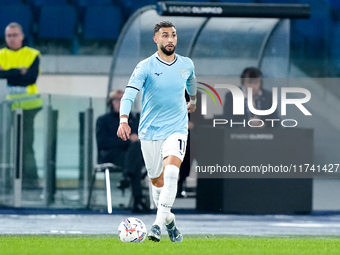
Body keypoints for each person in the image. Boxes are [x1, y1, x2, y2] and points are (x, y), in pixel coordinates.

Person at [117, 21, 197, 242]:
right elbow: (128, 95)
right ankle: (170, 221)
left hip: (177, 128)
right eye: (165, 35)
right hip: (150, 131)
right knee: (157, 182)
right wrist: (123, 120)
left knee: (172, 173)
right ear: (156, 39)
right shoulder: (145, 66)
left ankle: (156, 226)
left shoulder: (186, 64)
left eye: (173, 35)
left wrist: (193, 100)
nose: (170, 39)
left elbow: (192, 81)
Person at [0, 22, 43, 188]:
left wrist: (7, 73)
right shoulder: (1, 53)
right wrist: (19, 71)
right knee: (4, 144)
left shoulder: (32, 54)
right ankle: (5, 180)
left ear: (22, 36)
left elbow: (30, 79)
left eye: (15, 35)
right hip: (4, 106)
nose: (12, 38)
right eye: (9, 35)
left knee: (26, 145)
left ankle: (30, 181)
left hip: (28, 106)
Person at [96, 90, 148, 213]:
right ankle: (138, 200)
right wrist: (127, 139)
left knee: (136, 150)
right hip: (111, 154)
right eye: (117, 100)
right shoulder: (103, 120)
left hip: (130, 155)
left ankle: (127, 176)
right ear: (111, 103)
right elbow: (102, 143)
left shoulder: (134, 120)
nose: (120, 104)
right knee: (135, 160)